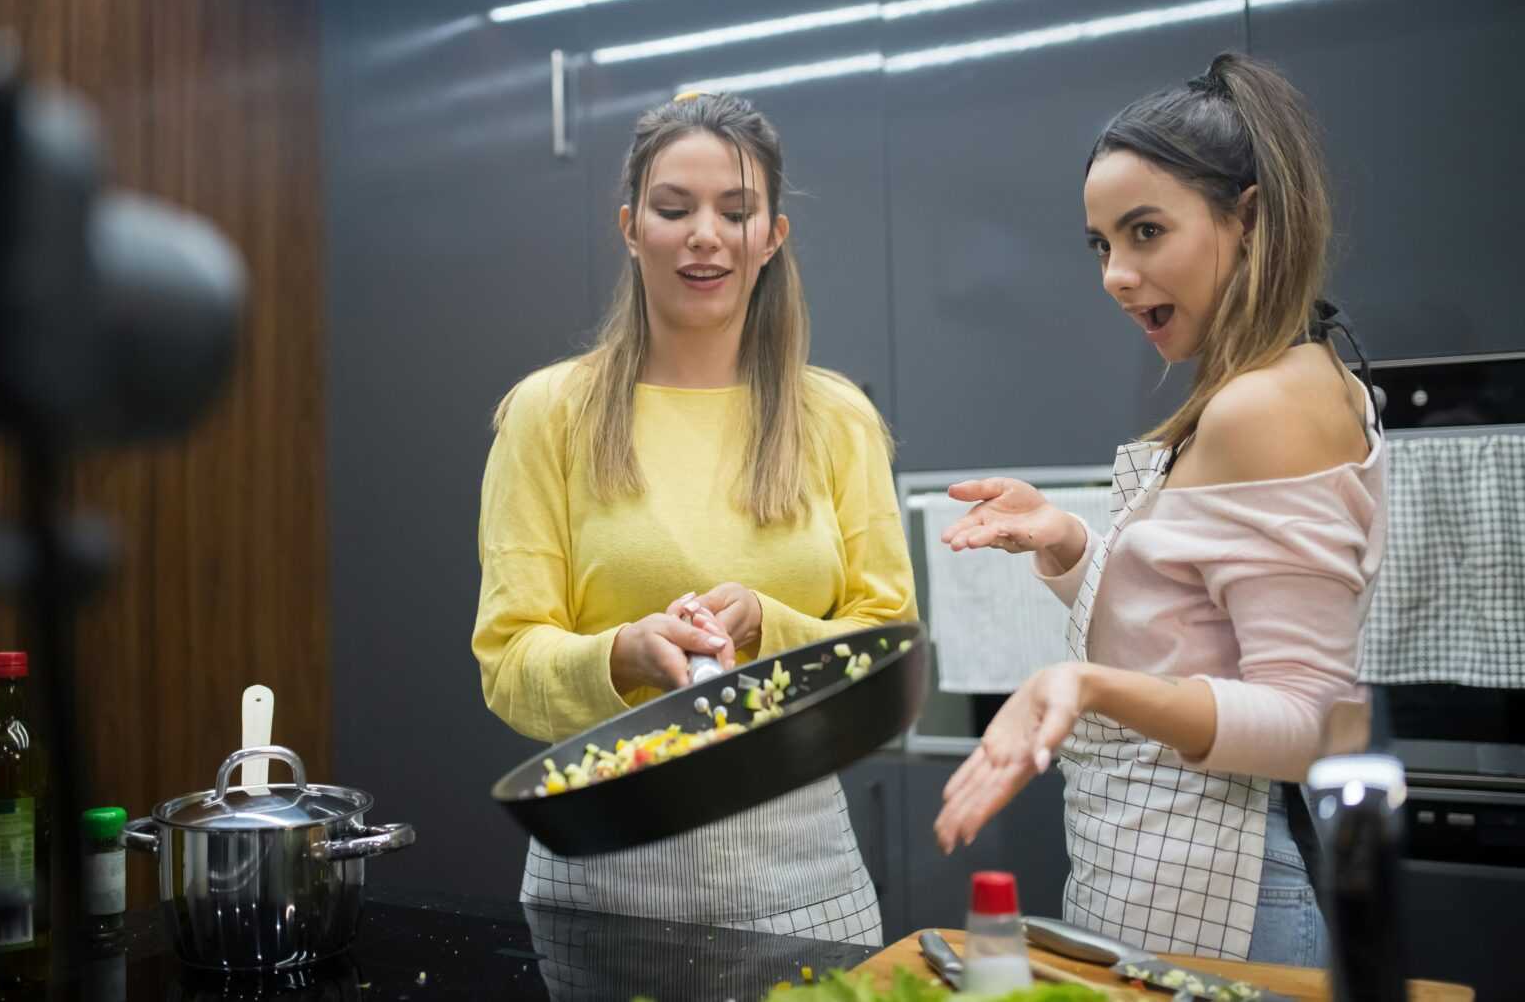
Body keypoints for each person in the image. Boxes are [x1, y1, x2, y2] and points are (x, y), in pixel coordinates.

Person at [933, 52, 1385, 966]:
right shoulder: (1263, 383)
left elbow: (1308, 722)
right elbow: (1191, 626)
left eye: (1145, 232)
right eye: (1102, 244)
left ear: (1248, 218)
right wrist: (1067, 544)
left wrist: (1086, 687)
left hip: (1228, 900)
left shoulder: (1267, 406)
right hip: (1155, 886)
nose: (1115, 273)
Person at [472, 91, 916, 944]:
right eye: (675, 209)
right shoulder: (549, 412)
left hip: (805, 874)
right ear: (632, 227)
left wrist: (767, 631)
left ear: (772, 237)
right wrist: (622, 657)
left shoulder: (836, 417)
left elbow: (887, 640)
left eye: (735, 211)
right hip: (602, 874)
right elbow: (509, 657)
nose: (704, 235)